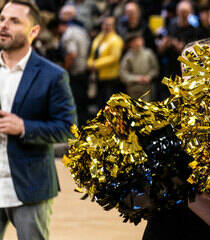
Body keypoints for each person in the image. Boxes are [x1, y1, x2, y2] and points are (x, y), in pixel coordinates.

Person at [0, 1, 77, 239]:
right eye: (2, 18)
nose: (4, 25)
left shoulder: (53, 75)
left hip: (30, 185)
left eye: (14, 21)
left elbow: (68, 128)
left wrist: (24, 127)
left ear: (34, 31)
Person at [142, 38, 210, 240]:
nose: (191, 73)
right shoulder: (163, 121)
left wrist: (171, 177)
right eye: (186, 67)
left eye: (200, 63)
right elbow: (142, 202)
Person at [87, 16, 124, 111]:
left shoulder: (116, 40)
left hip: (110, 76)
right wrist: (90, 62)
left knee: (108, 103)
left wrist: (95, 64)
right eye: (105, 24)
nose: (106, 27)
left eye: (109, 25)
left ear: (114, 26)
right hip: (98, 75)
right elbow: (93, 52)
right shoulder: (99, 37)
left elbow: (114, 58)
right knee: (100, 102)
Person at [119, 33, 158, 101]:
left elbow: (155, 69)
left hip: (146, 87)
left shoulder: (148, 53)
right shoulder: (128, 57)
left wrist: (149, 76)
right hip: (133, 88)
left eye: (139, 40)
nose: (137, 42)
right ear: (130, 43)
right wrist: (136, 78)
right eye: (135, 41)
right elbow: (123, 73)